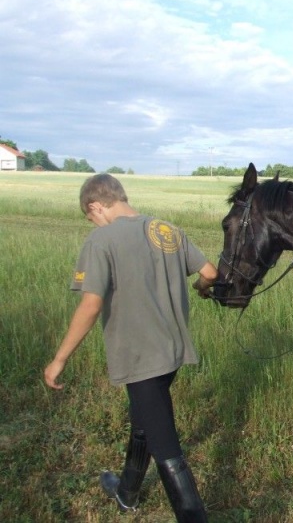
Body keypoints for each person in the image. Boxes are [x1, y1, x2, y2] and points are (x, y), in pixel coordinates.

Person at [44, 173, 218, 522]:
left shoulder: (101, 240)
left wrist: (58, 359)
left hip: (141, 356)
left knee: (167, 448)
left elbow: (90, 306)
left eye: (90, 216)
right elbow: (211, 272)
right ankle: (127, 492)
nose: (92, 222)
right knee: (144, 421)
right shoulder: (167, 230)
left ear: (96, 206)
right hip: (172, 351)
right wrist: (199, 287)